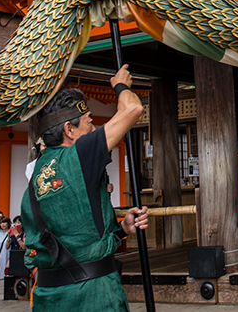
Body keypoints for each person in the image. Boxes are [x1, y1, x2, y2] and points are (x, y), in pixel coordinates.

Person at [22, 64, 150, 311]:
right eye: (88, 123)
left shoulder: (36, 170)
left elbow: (74, 232)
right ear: (69, 130)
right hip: (92, 297)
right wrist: (121, 85)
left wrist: (121, 229)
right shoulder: (79, 155)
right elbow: (133, 108)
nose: (93, 129)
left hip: (49, 298)